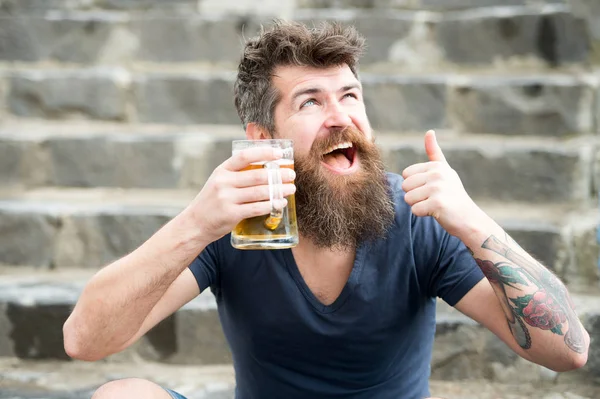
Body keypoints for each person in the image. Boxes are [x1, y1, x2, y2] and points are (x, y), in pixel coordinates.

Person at [63, 21, 590, 399]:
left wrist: (473, 221)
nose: (341, 117)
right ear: (262, 137)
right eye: (311, 101)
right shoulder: (236, 222)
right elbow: (85, 341)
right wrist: (195, 225)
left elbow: (567, 353)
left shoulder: (417, 216)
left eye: (351, 96)